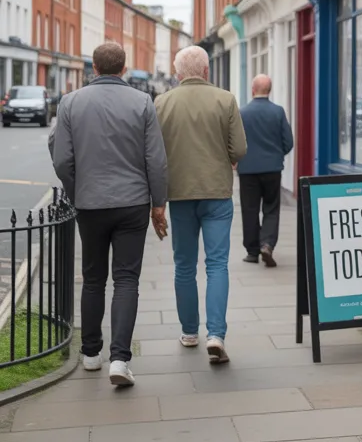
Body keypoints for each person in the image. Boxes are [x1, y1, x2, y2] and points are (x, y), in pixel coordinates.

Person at [49, 42, 168, 388]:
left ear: (94, 68)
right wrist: (158, 203)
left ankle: (90, 354)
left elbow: (61, 160)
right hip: (132, 204)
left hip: (90, 204)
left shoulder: (70, 102)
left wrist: (77, 191)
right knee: (127, 280)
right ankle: (119, 359)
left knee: (93, 278)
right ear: (124, 68)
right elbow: (156, 160)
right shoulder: (142, 102)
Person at [155, 46, 246, 364]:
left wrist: (157, 200)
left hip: (179, 194)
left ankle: (190, 332)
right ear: (206, 71)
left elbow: (154, 154)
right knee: (217, 264)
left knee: (184, 265)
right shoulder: (225, 99)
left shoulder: (162, 103)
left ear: (178, 74)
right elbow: (240, 148)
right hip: (217, 193)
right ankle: (217, 335)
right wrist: (227, 158)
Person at [237, 74, 294, 267]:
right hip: (272, 168)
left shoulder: (242, 113)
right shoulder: (278, 112)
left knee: (250, 209)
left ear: (253, 90)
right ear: (269, 91)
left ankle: (252, 252)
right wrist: (277, 155)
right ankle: (267, 244)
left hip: (247, 170)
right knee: (271, 208)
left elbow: (235, 143)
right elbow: (289, 142)